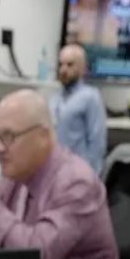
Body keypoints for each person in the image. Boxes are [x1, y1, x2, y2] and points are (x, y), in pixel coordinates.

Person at [0, 89, 117, 259]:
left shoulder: (76, 182)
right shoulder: (14, 176)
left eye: (9, 136)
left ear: (43, 136)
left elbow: (34, 255)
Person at [50, 44, 108, 174]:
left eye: (70, 65)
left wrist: (91, 176)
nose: (63, 70)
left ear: (82, 68)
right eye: (61, 64)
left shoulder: (91, 97)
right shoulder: (53, 99)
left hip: (79, 173)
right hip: (54, 173)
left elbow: (97, 142)